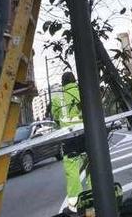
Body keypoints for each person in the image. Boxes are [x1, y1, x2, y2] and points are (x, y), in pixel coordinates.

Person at [52, 71, 89, 213]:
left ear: (63, 84)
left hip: (69, 139)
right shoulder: (83, 92)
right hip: (86, 135)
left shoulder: (57, 98)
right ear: (74, 80)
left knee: (72, 171)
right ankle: (94, 197)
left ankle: (75, 204)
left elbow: (56, 117)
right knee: (90, 166)